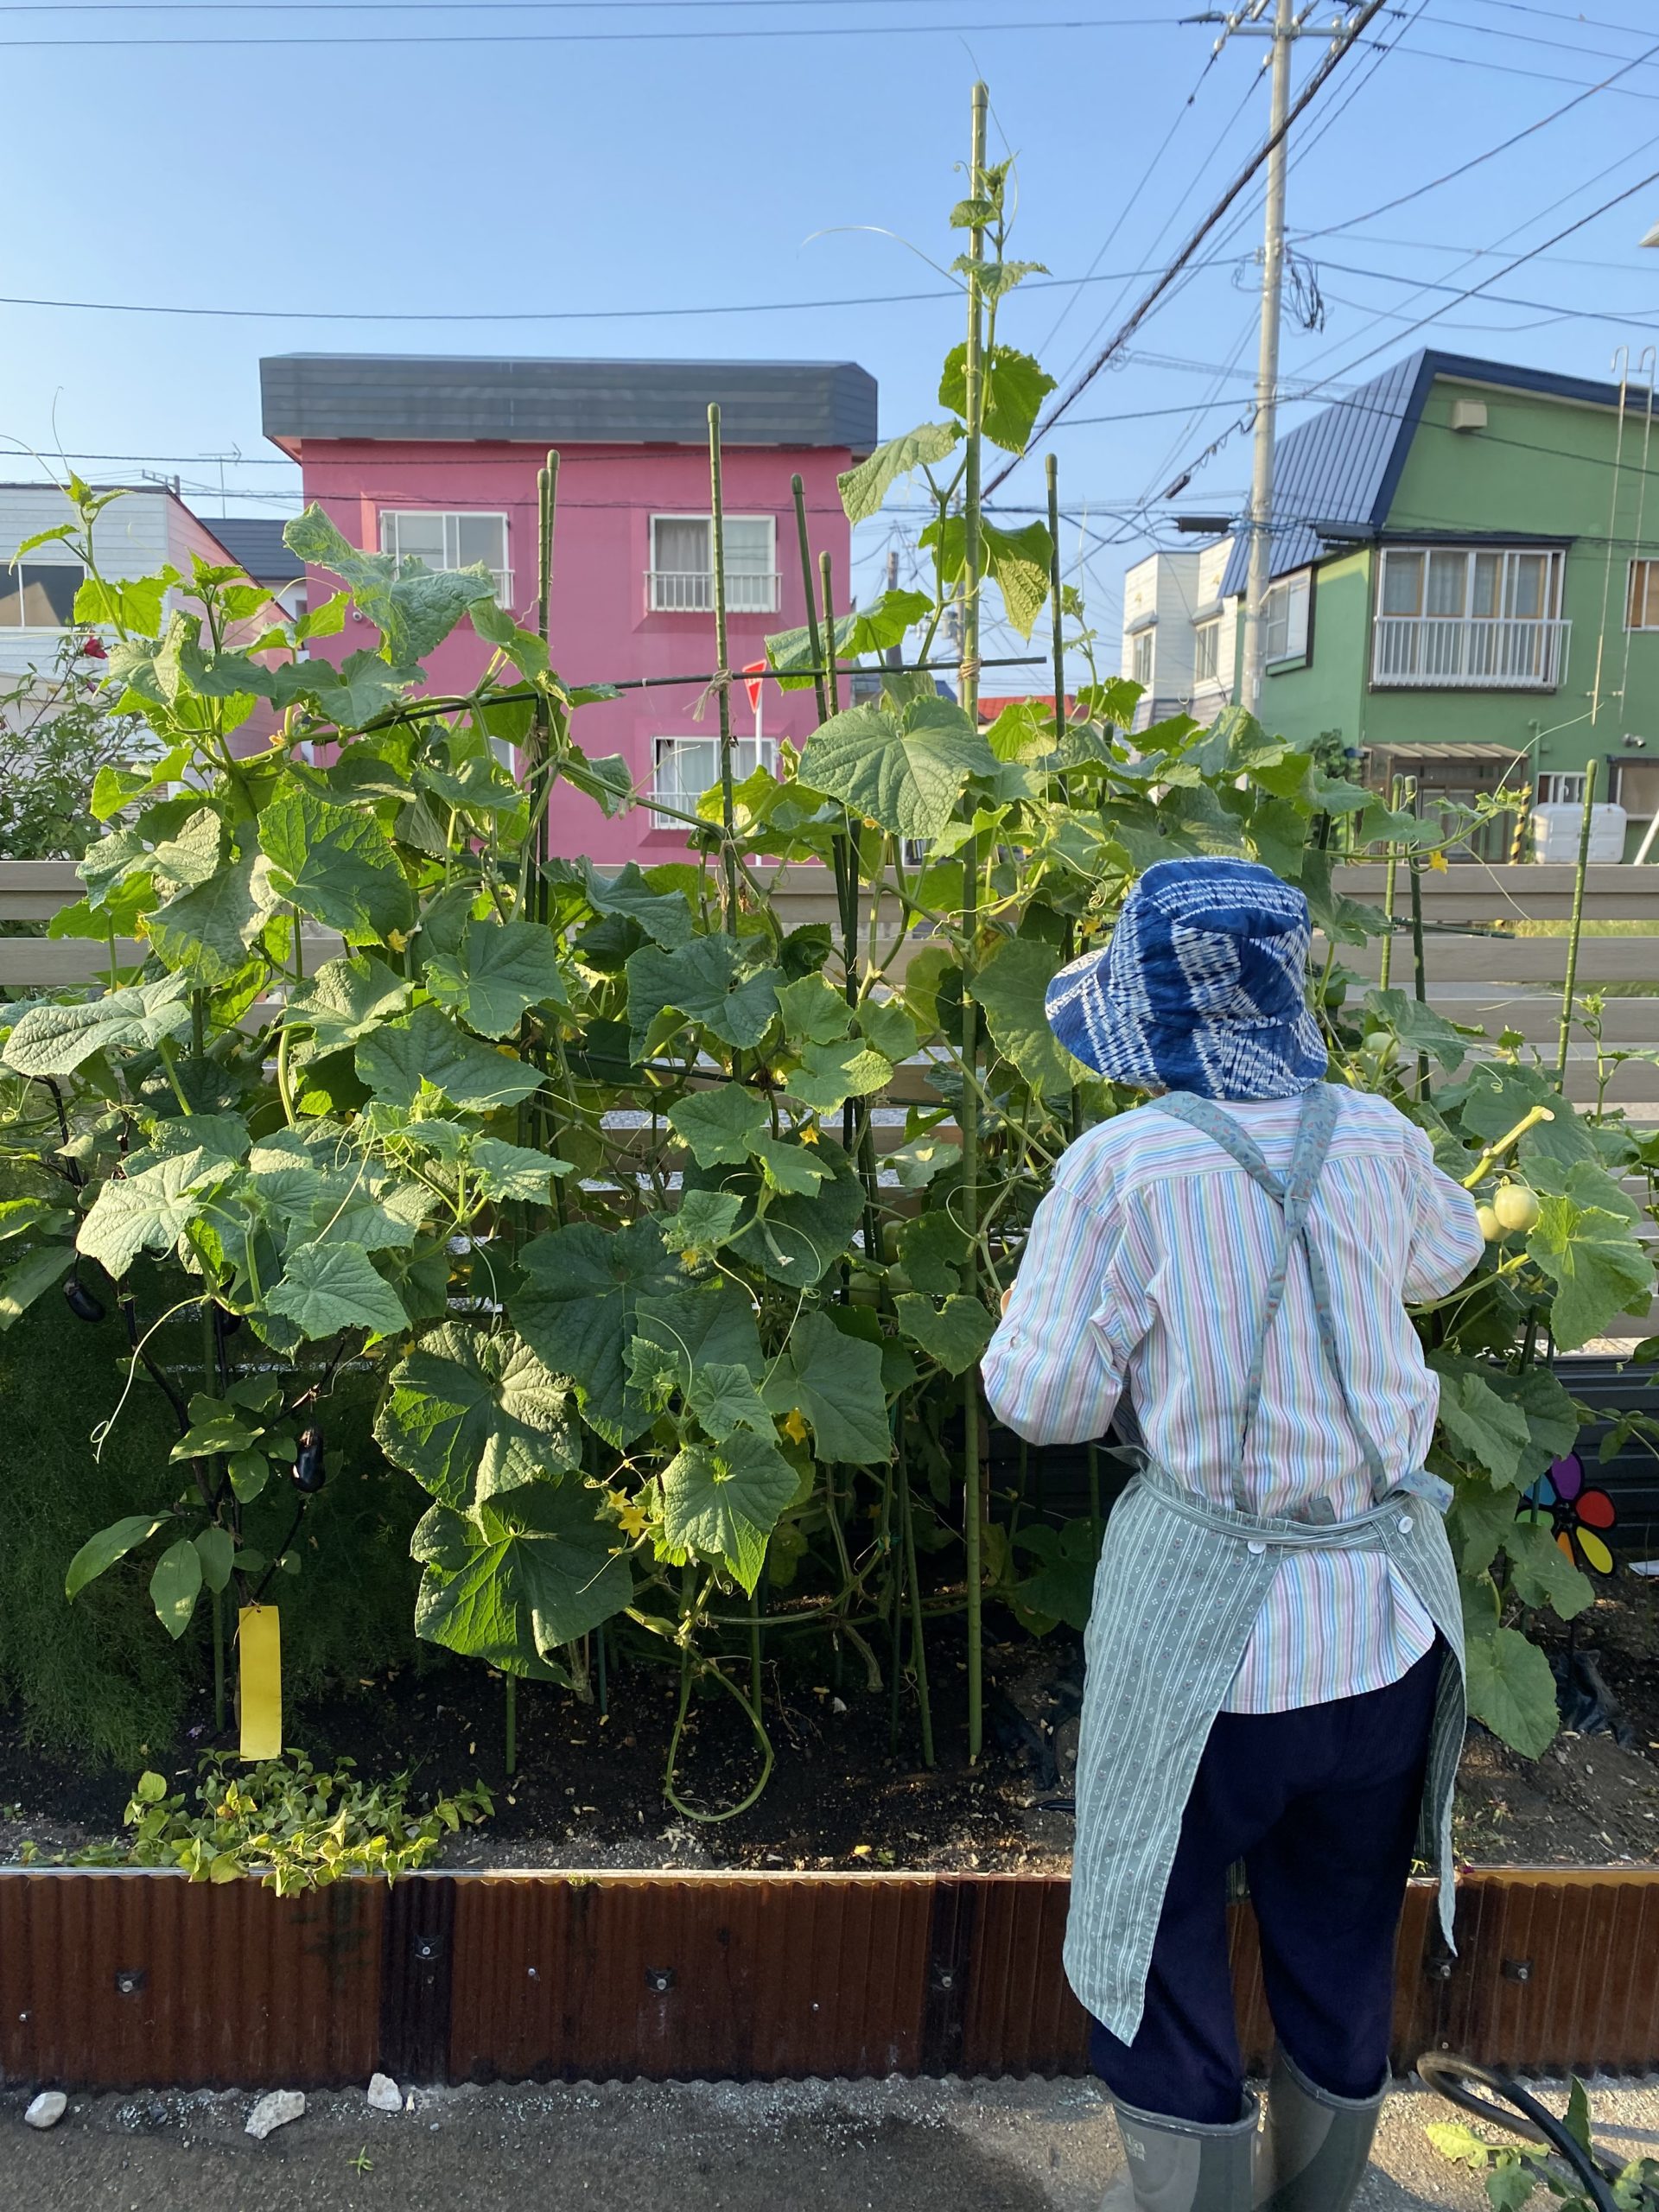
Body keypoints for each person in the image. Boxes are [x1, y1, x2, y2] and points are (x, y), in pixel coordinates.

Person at [981, 856, 1483, 2212]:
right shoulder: (1375, 1135)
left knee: (1156, 1927)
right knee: (1343, 1924)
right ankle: (1322, 2194)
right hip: (1383, 1631)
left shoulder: (1122, 1169)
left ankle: (1189, 2196)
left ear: (1150, 1023)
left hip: (1208, 1641)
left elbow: (1044, 1403)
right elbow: (1447, 1255)